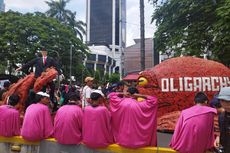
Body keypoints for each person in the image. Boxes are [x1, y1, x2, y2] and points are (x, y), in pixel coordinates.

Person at [214, 87, 230, 153]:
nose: (225, 104)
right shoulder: (222, 116)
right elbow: (222, 131)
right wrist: (218, 137)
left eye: (228, 101)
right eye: (222, 100)